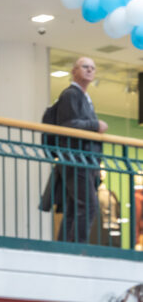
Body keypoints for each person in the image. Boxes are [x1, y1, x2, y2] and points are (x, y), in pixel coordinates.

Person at [53, 57, 106, 243]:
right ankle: (76, 249)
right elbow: (68, 125)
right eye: (85, 67)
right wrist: (95, 124)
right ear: (74, 71)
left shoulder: (83, 97)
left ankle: (66, 247)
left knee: (75, 208)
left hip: (83, 160)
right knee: (88, 206)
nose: (90, 70)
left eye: (93, 67)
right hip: (77, 159)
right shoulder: (71, 94)